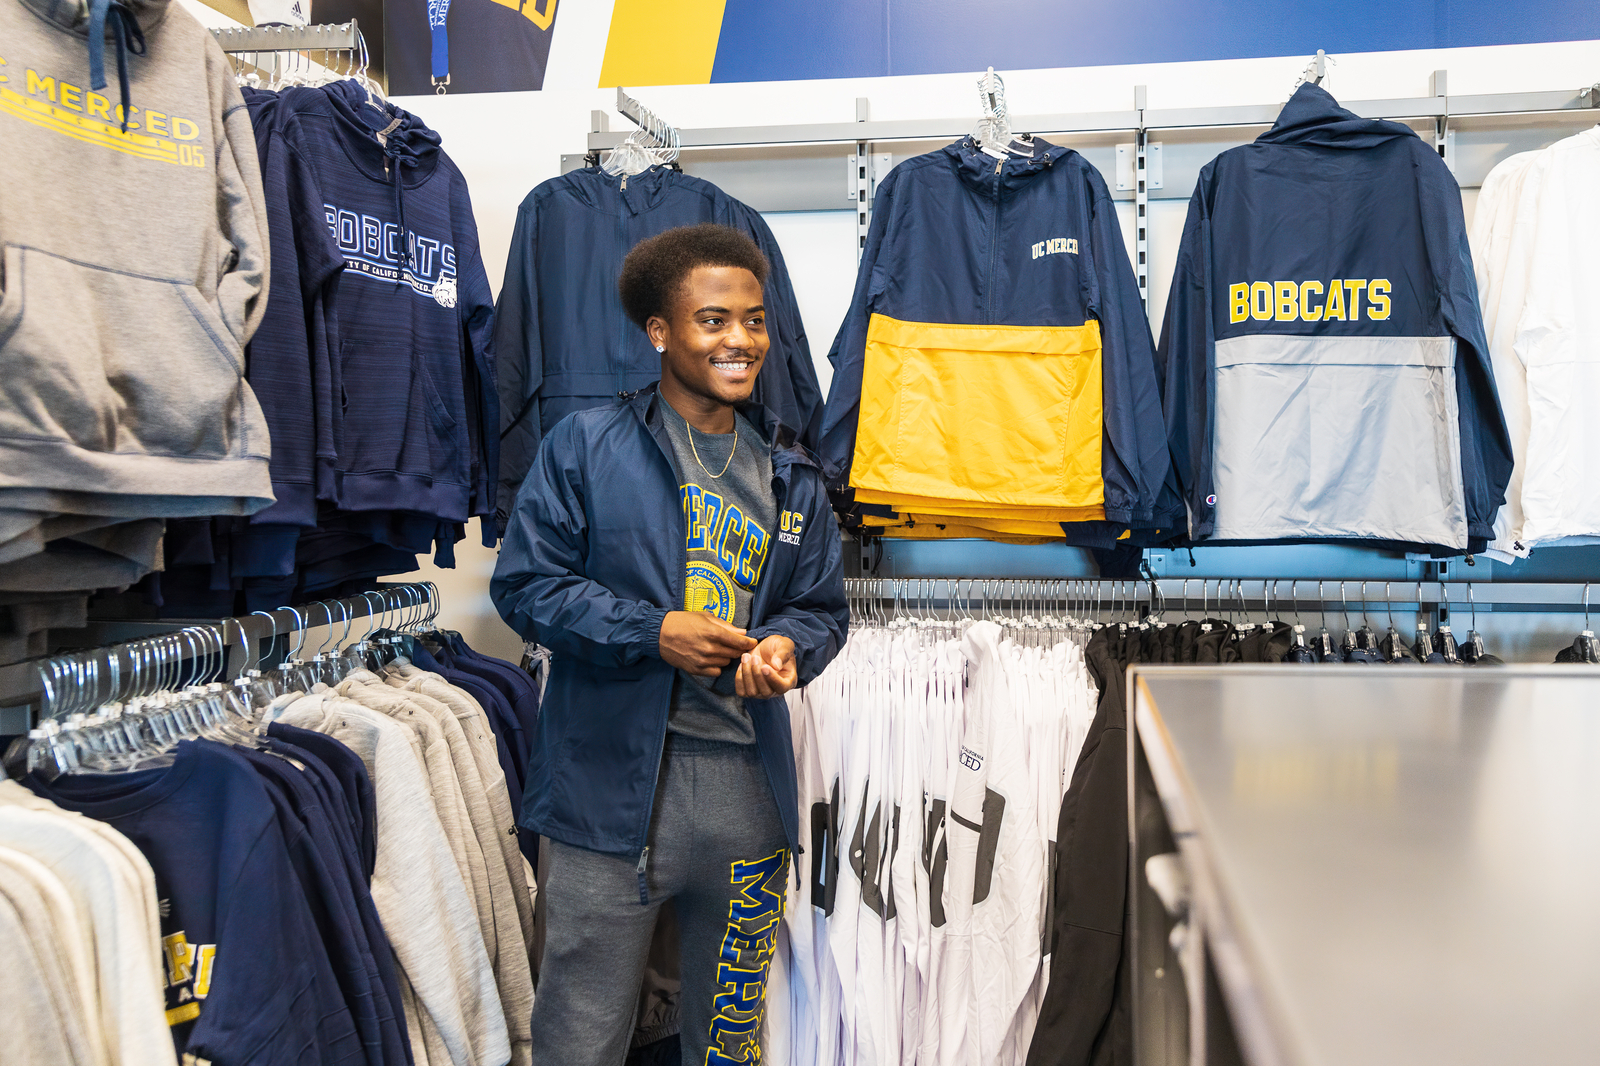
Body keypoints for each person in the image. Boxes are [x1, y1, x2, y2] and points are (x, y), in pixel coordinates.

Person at [491, 223, 849, 1066]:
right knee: (580, 1036)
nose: (741, 341)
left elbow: (821, 608)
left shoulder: (791, 472)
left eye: (755, 321)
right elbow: (525, 587)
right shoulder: (582, 447)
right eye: (714, 320)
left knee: (728, 1041)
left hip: (748, 801)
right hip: (605, 798)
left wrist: (787, 648)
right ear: (660, 331)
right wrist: (653, 631)